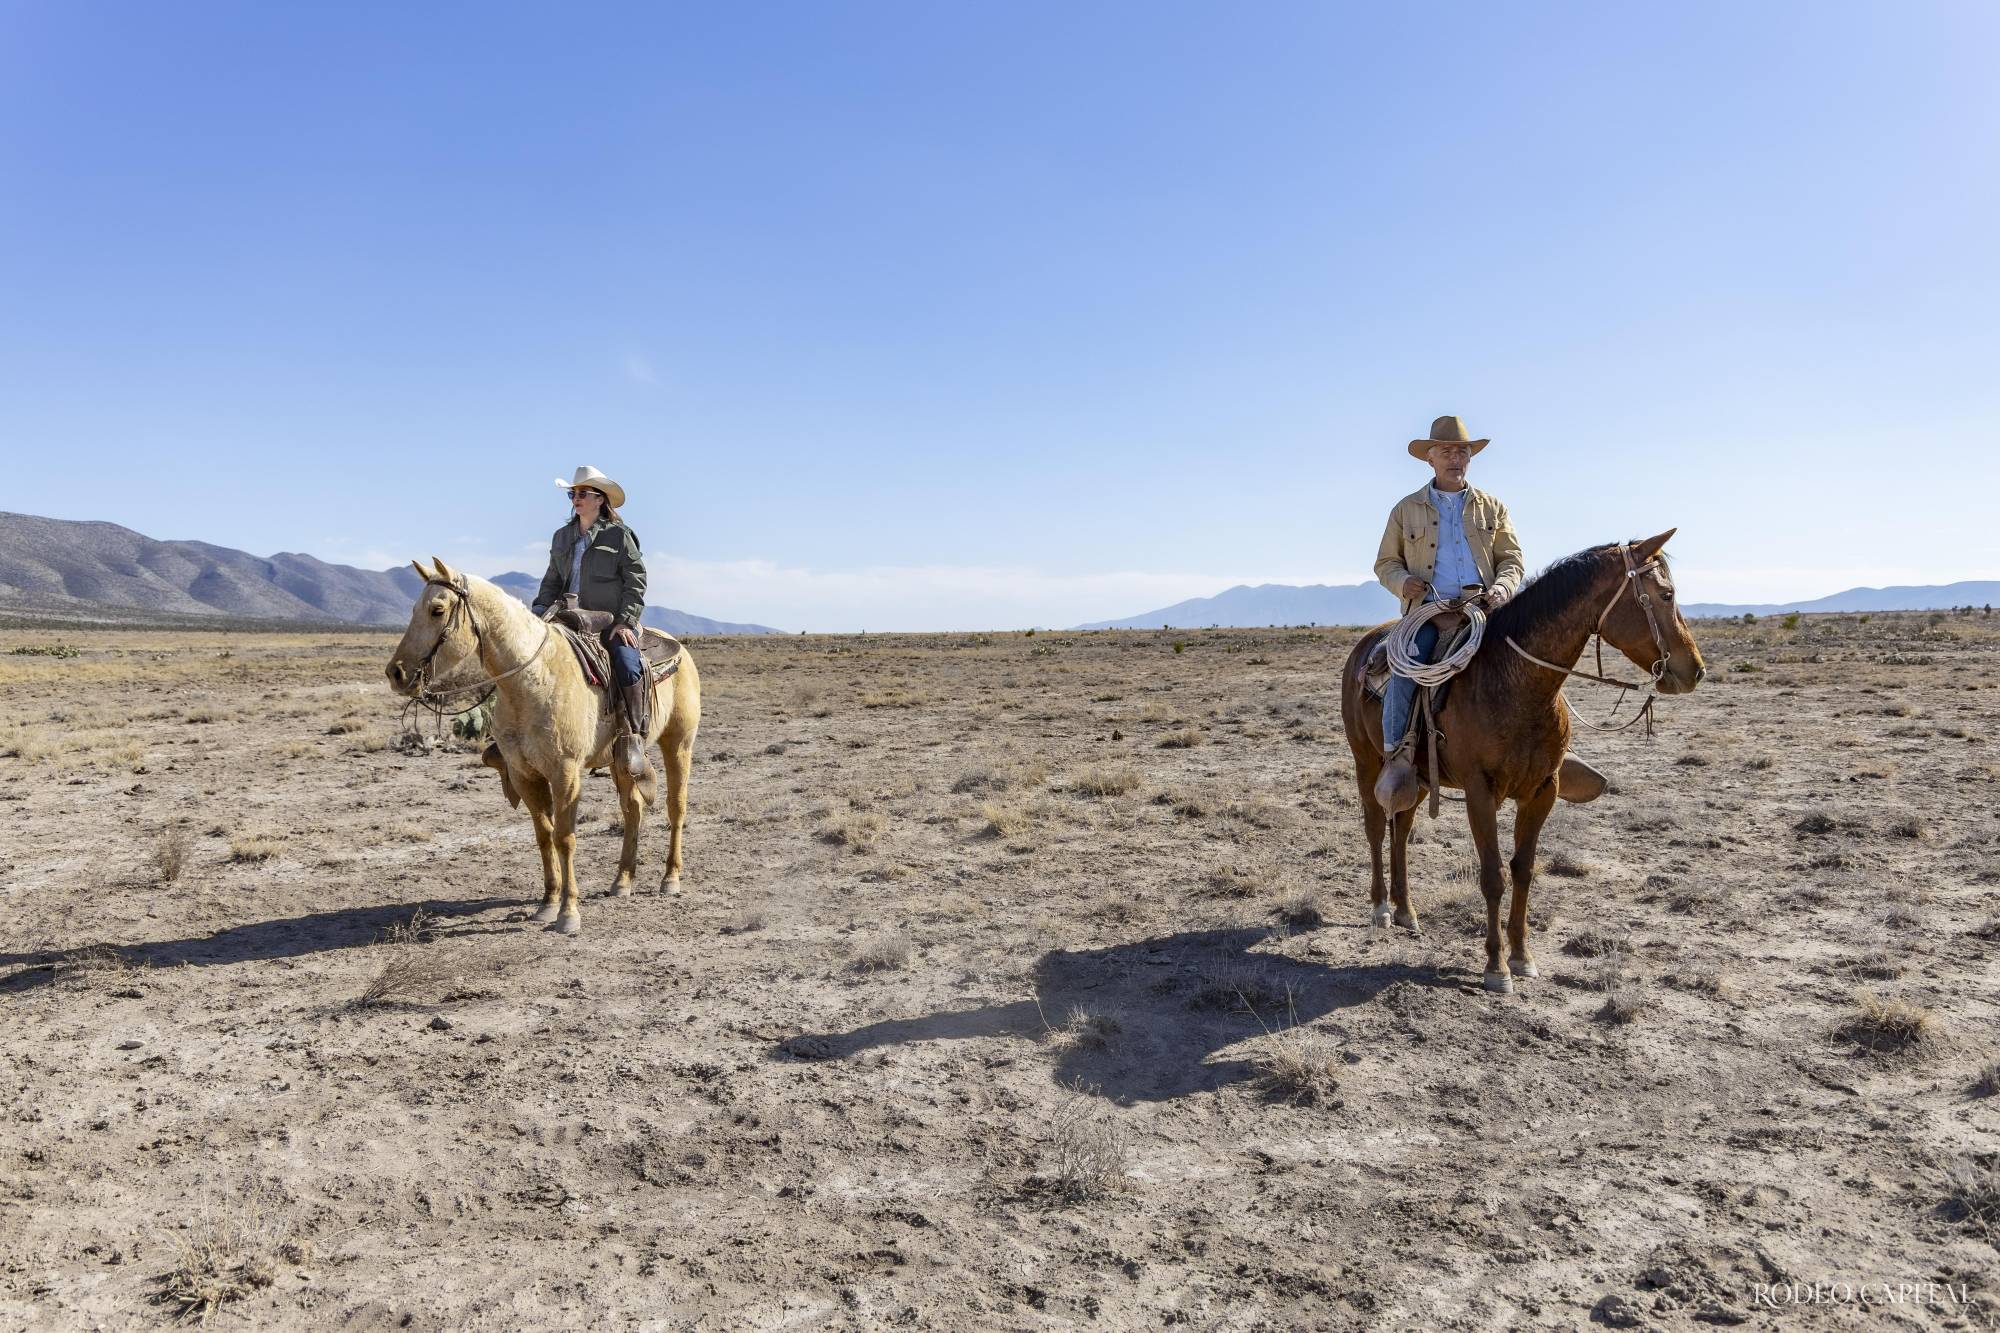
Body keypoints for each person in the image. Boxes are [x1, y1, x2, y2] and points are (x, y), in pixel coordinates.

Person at [1370, 417, 1525, 813]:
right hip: (1427, 612)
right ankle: (1398, 756)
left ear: (1469, 458)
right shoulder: (1406, 510)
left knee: (1533, 657)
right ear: (1430, 459)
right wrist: (1404, 583)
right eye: (1446, 451)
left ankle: (1552, 747)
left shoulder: (1493, 507)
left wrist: (1504, 587)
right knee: (1407, 665)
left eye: (1462, 452)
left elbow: (1511, 559)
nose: (1455, 458)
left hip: (1483, 610)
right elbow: (1386, 563)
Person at [532, 466, 651, 781]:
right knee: (524, 657)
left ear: (600, 499)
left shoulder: (619, 535)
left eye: (582, 493)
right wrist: (539, 611)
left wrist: (626, 621)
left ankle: (632, 737)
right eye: (572, 493)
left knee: (627, 663)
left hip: (607, 620)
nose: (575, 498)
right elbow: (552, 579)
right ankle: (513, 736)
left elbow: (636, 580)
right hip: (567, 617)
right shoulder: (562, 537)